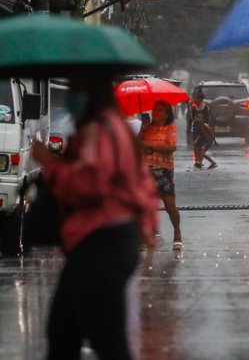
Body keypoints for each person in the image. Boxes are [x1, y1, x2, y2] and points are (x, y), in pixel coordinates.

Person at [31, 75, 159, 360]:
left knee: (105, 340)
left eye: (75, 90)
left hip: (102, 243)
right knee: (64, 333)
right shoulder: (110, 128)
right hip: (103, 243)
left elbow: (91, 185)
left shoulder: (100, 130)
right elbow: (142, 184)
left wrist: (50, 166)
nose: (71, 98)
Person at [140, 100, 183, 251]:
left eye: (160, 111)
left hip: (164, 170)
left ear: (166, 114)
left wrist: (151, 147)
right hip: (145, 170)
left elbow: (171, 147)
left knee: (170, 205)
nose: (156, 113)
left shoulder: (170, 128)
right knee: (145, 205)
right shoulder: (147, 128)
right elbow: (137, 145)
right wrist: (142, 132)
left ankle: (177, 233)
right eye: (154, 110)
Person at [186, 89, 217, 164]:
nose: (193, 99)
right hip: (196, 128)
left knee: (201, 145)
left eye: (195, 98)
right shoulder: (193, 108)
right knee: (196, 145)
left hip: (203, 128)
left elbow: (208, 118)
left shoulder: (205, 107)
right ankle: (197, 161)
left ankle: (199, 161)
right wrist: (189, 128)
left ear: (200, 99)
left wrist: (207, 127)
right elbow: (191, 119)